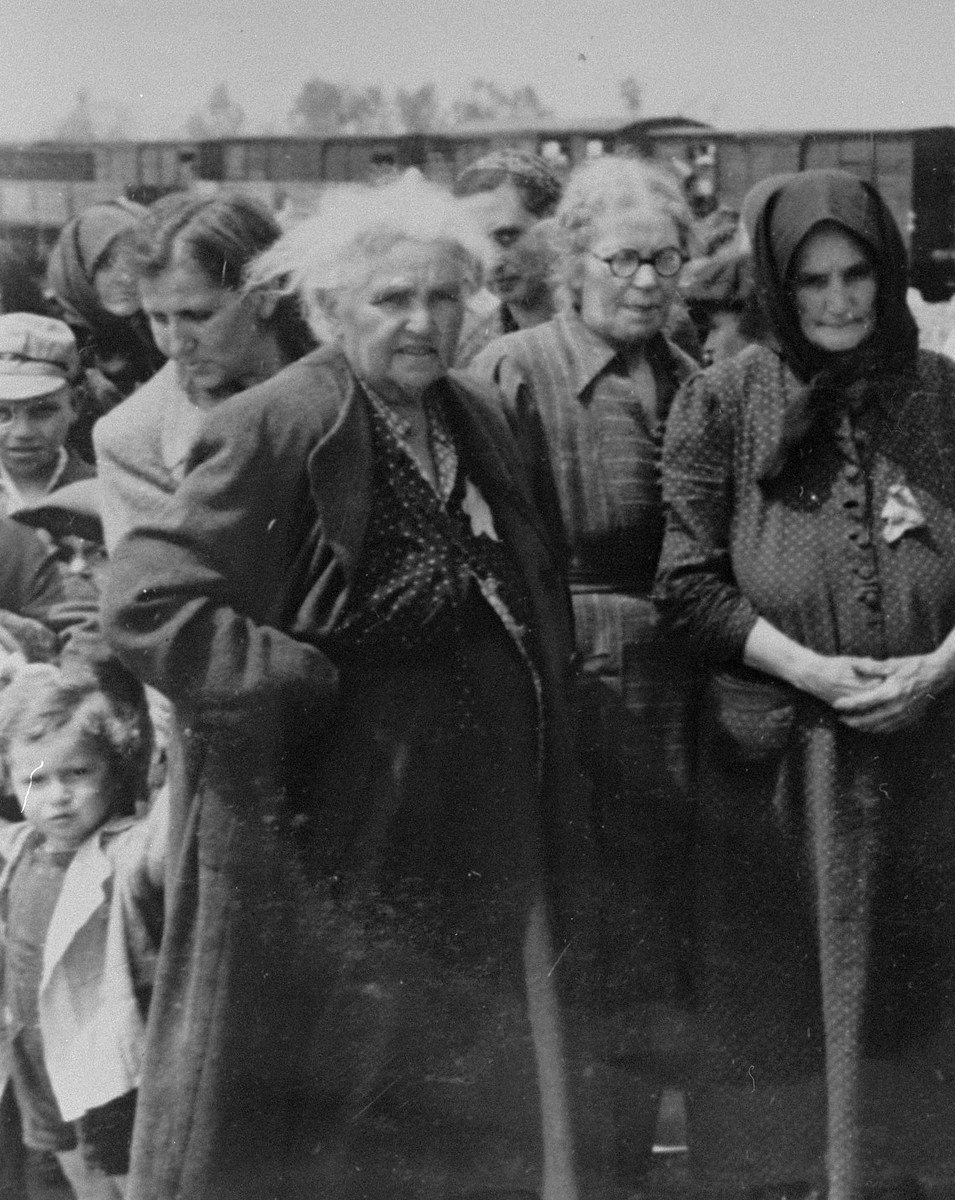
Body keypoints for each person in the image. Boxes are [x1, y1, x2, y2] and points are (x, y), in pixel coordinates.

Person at [100, 171, 586, 1200]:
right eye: (392, 299)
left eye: (445, 298)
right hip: (332, 830)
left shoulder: (480, 413)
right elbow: (146, 602)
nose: (423, 322)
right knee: (341, 1087)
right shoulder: (279, 422)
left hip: (465, 822)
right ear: (328, 308)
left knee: (453, 1087)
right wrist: (298, 683)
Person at [656, 168, 955, 1200]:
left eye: (858, 274)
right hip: (780, 764)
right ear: (777, 284)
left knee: (912, 990)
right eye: (810, 281)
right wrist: (813, 671)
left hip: (925, 753)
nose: (838, 302)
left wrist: (939, 664)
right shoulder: (722, 400)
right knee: (780, 996)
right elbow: (685, 584)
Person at [472, 153, 701, 1189]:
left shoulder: (697, 380)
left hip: (677, 683)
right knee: (575, 933)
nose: (647, 282)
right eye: (625, 259)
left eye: (667, 260)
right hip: (563, 673)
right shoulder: (515, 370)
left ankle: (647, 1161)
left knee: (662, 932)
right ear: (574, 260)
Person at [0, 660, 165, 1200]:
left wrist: (167, 718)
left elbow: (168, 834)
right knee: (76, 1181)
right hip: (38, 1066)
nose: (57, 796)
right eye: (35, 779)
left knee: (125, 1184)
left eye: (77, 773)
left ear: (114, 769)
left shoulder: (123, 848)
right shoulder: (20, 848)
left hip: (104, 1072)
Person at [94, 191, 314, 553]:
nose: (176, 345)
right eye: (158, 318)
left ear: (265, 294)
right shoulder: (132, 438)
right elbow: (160, 597)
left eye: (197, 316)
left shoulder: (353, 371)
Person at [43, 202, 166, 443]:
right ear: (78, 268)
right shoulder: (54, 341)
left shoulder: (161, 332)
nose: (125, 277)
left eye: (135, 262)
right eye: (106, 264)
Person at [454, 149, 566, 366]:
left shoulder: (605, 333)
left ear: (554, 226)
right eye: (476, 244)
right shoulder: (468, 353)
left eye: (506, 236)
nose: (492, 262)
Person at [0, 315, 97, 512]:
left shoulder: (105, 490)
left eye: (42, 411)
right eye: (1, 413)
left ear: (74, 404)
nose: (22, 432)